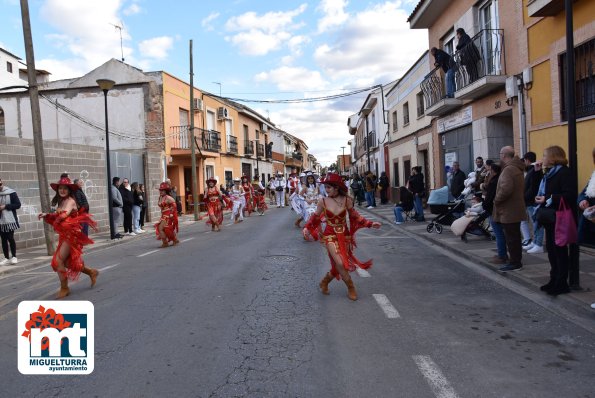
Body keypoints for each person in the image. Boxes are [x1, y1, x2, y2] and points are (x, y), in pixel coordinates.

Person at [302, 173, 381, 301]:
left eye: (328, 187)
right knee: (340, 263)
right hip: (329, 236)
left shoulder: (347, 200)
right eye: (325, 187)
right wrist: (307, 228)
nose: (326, 190)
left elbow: (355, 216)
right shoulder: (322, 201)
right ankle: (351, 286)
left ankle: (325, 281)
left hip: (344, 236)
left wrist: (370, 224)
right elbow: (315, 217)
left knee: (336, 266)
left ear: (336, 188)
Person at [38, 176, 98, 298]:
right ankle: (92, 272)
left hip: (72, 235)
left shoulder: (70, 201)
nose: (62, 190)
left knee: (57, 261)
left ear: (69, 190)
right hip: (65, 235)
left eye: (65, 188)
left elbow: (63, 215)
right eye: (60, 188)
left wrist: (54, 217)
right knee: (67, 263)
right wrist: (47, 214)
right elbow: (58, 214)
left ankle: (64, 288)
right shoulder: (62, 201)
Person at [532, 146, 576, 295]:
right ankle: (554, 278)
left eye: (544, 155)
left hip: (559, 217)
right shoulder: (548, 173)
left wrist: (549, 198)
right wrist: (536, 173)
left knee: (560, 250)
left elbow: (569, 195)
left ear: (553, 157)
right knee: (551, 250)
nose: (542, 158)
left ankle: (562, 282)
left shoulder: (564, 173)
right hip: (549, 218)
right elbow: (537, 189)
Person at [493, 146, 526, 272]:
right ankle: (516, 261)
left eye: (500, 154)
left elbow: (506, 189)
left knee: (512, 239)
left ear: (504, 155)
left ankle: (515, 263)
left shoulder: (508, 170)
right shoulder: (516, 168)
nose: (500, 156)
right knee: (514, 237)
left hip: (509, 210)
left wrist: (497, 200)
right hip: (515, 209)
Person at [521, 152, 544, 253]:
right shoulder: (532, 170)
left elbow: (533, 187)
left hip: (532, 201)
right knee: (535, 223)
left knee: (536, 223)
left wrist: (525, 197)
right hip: (531, 201)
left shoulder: (534, 171)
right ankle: (535, 242)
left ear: (527, 160)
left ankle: (538, 244)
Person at [483, 163, 507, 264]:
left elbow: (490, 197)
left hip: (493, 210)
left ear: (493, 171)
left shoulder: (494, 181)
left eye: (490, 170)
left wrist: (485, 205)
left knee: (499, 234)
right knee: (500, 233)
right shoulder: (499, 179)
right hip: (496, 209)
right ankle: (502, 254)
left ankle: (502, 255)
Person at [0, 178, 21, 265]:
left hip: (10, 220)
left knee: (10, 238)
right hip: (0, 220)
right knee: (3, 239)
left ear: (2, 183)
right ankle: (6, 257)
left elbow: (18, 204)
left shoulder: (11, 192)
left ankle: (14, 256)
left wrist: (5, 206)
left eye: (0, 184)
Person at [155, 182, 179, 247]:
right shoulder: (160, 197)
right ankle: (174, 239)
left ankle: (165, 243)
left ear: (166, 191)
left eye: (162, 190)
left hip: (168, 215)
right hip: (163, 215)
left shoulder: (168, 198)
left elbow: (174, 206)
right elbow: (162, 207)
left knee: (161, 228)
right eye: (160, 190)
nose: (161, 191)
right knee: (166, 229)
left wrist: (171, 214)